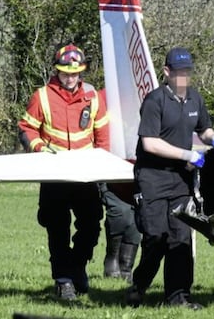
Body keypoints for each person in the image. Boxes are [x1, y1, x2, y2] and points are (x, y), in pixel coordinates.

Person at [125, 47, 214, 310]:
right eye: (178, 72)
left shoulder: (195, 99)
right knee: (156, 238)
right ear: (167, 72)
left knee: (180, 238)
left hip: (180, 182)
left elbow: (203, 129)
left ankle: (179, 297)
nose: (183, 77)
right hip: (152, 179)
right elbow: (149, 143)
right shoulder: (155, 101)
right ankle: (139, 286)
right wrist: (187, 154)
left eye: (187, 72)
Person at [18, 43, 110, 301]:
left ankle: (77, 266)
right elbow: (27, 128)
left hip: (86, 175)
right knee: (57, 230)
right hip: (54, 175)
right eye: (65, 73)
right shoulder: (42, 96)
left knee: (91, 227)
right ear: (56, 71)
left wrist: (102, 165)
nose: (71, 78)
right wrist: (38, 148)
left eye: (76, 73)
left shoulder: (92, 96)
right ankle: (64, 280)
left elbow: (102, 135)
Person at [97, 90, 140, 283]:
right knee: (120, 213)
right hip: (110, 172)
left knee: (137, 221)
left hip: (138, 172)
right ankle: (112, 257)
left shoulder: (143, 95)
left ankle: (126, 266)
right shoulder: (101, 98)